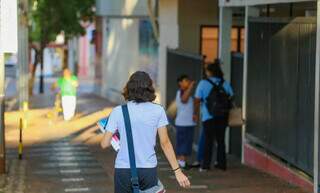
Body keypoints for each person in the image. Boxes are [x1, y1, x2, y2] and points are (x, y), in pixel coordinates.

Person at [101, 71, 190, 193]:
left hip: (123, 169)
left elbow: (104, 144)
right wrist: (177, 171)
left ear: (129, 88)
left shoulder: (118, 111)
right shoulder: (158, 110)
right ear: (150, 88)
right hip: (148, 169)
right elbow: (165, 143)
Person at [194, 59, 234, 171]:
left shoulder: (203, 83)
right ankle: (221, 164)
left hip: (208, 116)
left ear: (210, 72)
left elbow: (197, 100)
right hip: (223, 116)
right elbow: (231, 96)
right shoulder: (224, 83)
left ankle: (206, 165)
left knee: (208, 141)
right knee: (221, 141)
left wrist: (195, 113)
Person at [175, 75, 196, 169]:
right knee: (183, 143)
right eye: (186, 80)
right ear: (180, 83)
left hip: (187, 123)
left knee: (185, 143)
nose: (188, 82)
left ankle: (181, 162)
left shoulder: (185, 92)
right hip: (183, 123)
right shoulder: (181, 92)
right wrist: (191, 86)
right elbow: (184, 100)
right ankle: (182, 163)